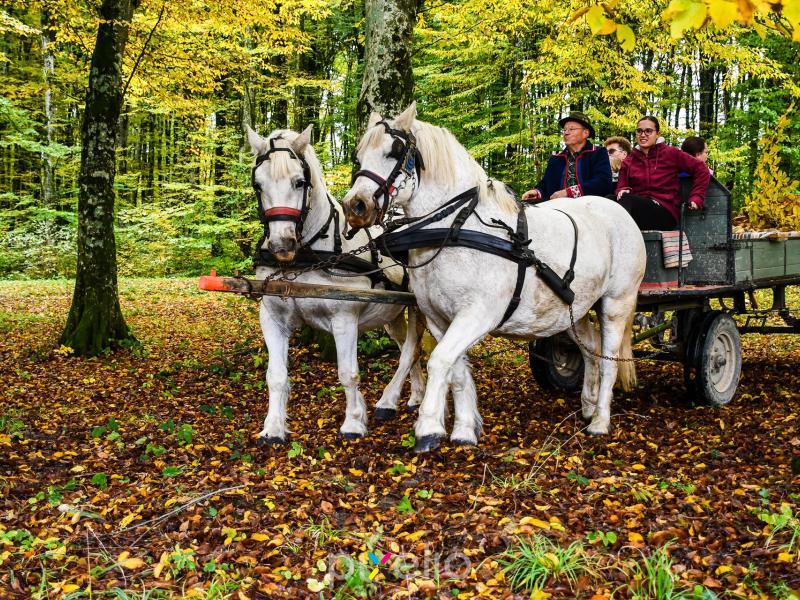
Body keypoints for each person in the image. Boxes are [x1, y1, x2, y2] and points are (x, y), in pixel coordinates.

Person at [617, 116, 710, 230]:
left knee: (627, 200)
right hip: (637, 209)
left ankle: (619, 238)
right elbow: (621, 186)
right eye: (639, 131)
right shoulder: (629, 161)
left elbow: (701, 169)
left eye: (648, 131)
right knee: (608, 200)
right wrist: (622, 190)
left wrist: (697, 196)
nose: (643, 134)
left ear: (657, 133)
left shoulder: (671, 153)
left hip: (665, 211)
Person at [522, 112, 612, 202]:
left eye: (571, 129)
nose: (566, 133)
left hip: (589, 206)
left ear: (586, 133)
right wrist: (536, 192)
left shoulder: (598, 153)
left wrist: (568, 192)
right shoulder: (555, 159)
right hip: (557, 208)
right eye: (564, 130)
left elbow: (603, 182)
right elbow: (545, 185)